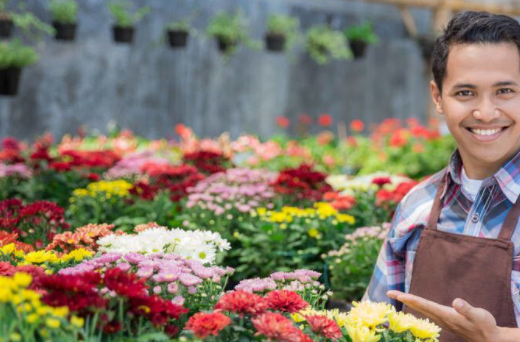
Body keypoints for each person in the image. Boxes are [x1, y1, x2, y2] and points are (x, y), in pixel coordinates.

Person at [365, 11, 520, 342]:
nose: (486, 112)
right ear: (437, 97)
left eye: (505, 91)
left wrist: (500, 338)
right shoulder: (415, 206)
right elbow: (370, 323)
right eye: (465, 93)